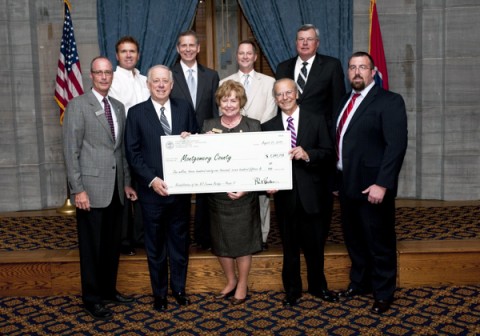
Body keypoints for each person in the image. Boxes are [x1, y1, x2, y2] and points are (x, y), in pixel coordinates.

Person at [63, 56, 137, 320]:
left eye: (108, 73)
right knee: (91, 248)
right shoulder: (78, 105)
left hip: (116, 190)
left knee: (110, 244)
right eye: (99, 72)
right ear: (91, 75)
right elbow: (70, 151)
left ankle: (108, 291)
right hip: (90, 191)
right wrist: (78, 189)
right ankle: (91, 299)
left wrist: (127, 182)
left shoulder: (117, 107)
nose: (104, 77)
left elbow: (121, 151)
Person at [335, 51, 408, 314]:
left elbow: (396, 147)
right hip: (347, 184)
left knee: (380, 242)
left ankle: (383, 293)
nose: (356, 72)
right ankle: (361, 283)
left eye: (362, 67)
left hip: (373, 187)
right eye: (352, 67)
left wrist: (383, 183)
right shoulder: (345, 101)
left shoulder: (389, 101)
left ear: (373, 72)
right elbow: (343, 143)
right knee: (354, 239)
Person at [124, 65, 198, 311]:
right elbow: (133, 154)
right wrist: (153, 180)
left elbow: (197, 141)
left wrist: (191, 139)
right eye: (156, 81)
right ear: (148, 84)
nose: (161, 85)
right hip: (151, 193)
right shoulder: (135, 113)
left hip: (179, 192)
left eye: (165, 81)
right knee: (155, 246)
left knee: (179, 243)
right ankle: (159, 294)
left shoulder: (184, 108)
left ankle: (178, 289)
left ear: (172, 84)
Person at [262, 78, 337, 307]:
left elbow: (328, 154)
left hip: (314, 196)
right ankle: (292, 291)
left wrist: (307, 155)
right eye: (279, 94)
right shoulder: (268, 126)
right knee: (290, 249)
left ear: (296, 94)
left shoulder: (316, 120)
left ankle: (318, 287)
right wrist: (267, 181)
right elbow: (264, 163)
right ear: (275, 98)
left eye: (288, 93)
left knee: (315, 248)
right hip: (285, 198)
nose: (284, 98)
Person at [202, 80, 262, 305]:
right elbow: (201, 163)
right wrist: (193, 142)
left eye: (234, 100)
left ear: (241, 102)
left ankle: (243, 284)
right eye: (225, 99)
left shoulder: (253, 126)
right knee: (221, 241)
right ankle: (230, 280)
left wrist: (245, 189)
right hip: (218, 196)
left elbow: (260, 162)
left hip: (245, 196)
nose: (229, 104)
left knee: (243, 242)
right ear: (219, 101)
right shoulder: (208, 125)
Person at [220, 40, 277, 250]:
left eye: (248, 53)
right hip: (232, 147)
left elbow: (269, 115)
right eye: (241, 53)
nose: (244, 56)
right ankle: (237, 237)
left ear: (255, 57)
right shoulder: (224, 81)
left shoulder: (270, 82)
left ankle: (261, 237)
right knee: (236, 193)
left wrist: (253, 138)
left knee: (260, 194)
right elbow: (223, 113)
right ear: (237, 56)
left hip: (259, 144)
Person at [171, 30, 220, 250]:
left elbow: (213, 110)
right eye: (184, 45)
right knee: (179, 193)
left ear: (198, 48)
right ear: (178, 49)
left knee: (205, 192)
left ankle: (203, 237)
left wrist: (211, 135)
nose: (188, 49)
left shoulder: (212, 75)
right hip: (178, 140)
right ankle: (180, 238)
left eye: (192, 45)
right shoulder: (168, 75)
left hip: (205, 140)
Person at [109, 36, 150, 256]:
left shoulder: (145, 80)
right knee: (123, 190)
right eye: (124, 51)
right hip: (121, 141)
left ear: (138, 54)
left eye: (132, 51)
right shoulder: (111, 79)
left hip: (145, 143)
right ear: (117, 55)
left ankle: (141, 236)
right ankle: (124, 240)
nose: (128, 55)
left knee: (143, 189)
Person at [275, 24, 346, 129]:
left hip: (321, 131)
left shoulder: (332, 65)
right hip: (290, 129)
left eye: (309, 39)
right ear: (296, 43)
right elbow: (279, 101)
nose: (305, 43)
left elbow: (338, 103)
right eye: (301, 39)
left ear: (317, 43)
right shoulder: (283, 67)